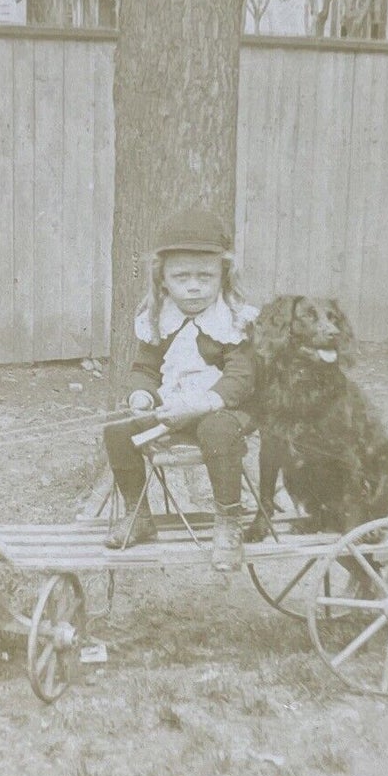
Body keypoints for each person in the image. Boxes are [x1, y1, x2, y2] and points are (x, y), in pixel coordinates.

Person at [103, 208, 257, 571]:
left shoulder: (235, 321)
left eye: (205, 276)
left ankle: (227, 524)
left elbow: (241, 378)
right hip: (172, 409)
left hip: (224, 410)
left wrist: (203, 403)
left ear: (223, 275)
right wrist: (141, 396)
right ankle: (139, 514)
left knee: (216, 429)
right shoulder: (160, 318)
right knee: (117, 428)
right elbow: (144, 368)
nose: (193, 286)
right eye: (181, 276)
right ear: (163, 280)